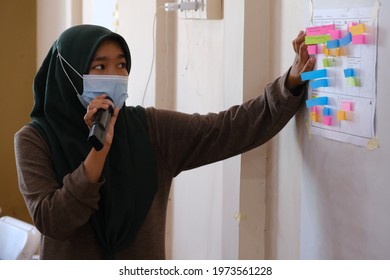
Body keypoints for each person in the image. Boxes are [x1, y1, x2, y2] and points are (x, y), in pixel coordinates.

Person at [14, 24, 315, 260]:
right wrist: (99, 151)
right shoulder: (34, 140)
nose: (116, 76)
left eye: (121, 65)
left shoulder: (149, 129)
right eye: (100, 67)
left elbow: (227, 129)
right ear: (68, 74)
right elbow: (54, 221)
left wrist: (289, 82)